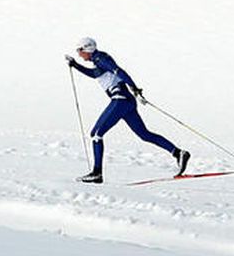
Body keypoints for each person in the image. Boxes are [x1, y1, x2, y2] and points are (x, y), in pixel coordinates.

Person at [66, 38, 188, 184]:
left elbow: (119, 71)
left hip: (120, 100)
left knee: (96, 134)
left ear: (86, 49)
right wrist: (75, 65)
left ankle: (97, 173)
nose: (79, 54)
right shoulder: (99, 60)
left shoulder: (100, 59)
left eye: (79, 51)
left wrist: (134, 87)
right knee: (145, 134)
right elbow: (94, 74)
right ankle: (178, 153)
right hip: (127, 102)